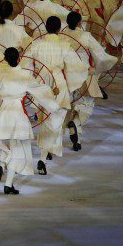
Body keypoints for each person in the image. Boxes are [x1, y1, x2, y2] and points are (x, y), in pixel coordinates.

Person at [0, 47, 59, 194]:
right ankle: (8, 183)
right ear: (19, 58)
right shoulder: (25, 75)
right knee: (18, 149)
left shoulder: (0, 74)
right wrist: (53, 95)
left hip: (3, 114)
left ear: (5, 59)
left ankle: (2, 164)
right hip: (17, 114)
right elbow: (40, 90)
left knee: (5, 144)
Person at [24, 16, 83, 174]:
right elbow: (75, 67)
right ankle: (43, 156)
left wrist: (29, 83)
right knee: (54, 120)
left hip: (41, 82)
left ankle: (45, 153)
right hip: (57, 81)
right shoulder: (64, 45)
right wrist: (74, 83)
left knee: (44, 118)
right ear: (58, 29)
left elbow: (26, 65)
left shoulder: (36, 44)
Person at [60, 11, 114, 148]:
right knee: (87, 104)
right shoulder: (85, 36)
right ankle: (77, 124)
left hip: (66, 75)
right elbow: (100, 56)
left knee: (68, 105)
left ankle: (73, 139)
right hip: (84, 74)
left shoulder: (61, 36)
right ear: (79, 23)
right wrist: (99, 69)